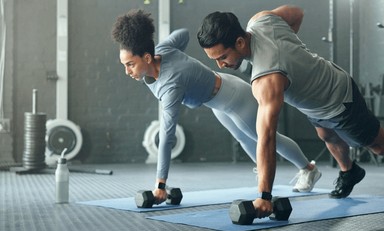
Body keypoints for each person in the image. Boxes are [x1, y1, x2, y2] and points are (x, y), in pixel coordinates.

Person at [197, 5, 384, 218]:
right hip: (316, 101)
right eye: (215, 60)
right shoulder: (262, 20)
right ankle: (350, 171)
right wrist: (292, 48)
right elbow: (296, 13)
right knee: (327, 136)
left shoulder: (267, 79)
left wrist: (264, 196)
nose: (221, 65)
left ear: (240, 42)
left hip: (338, 99)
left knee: (381, 146)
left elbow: (266, 138)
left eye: (222, 57)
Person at [111, 9, 321, 204]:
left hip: (234, 99)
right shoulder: (164, 50)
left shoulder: (170, 86)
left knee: (265, 138)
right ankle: (264, 171)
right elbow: (182, 34)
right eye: (124, 65)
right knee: (242, 138)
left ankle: (309, 169)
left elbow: (166, 138)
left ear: (147, 57)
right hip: (217, 102)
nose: (127, 71)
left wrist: (160, 185)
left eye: (130, 64)